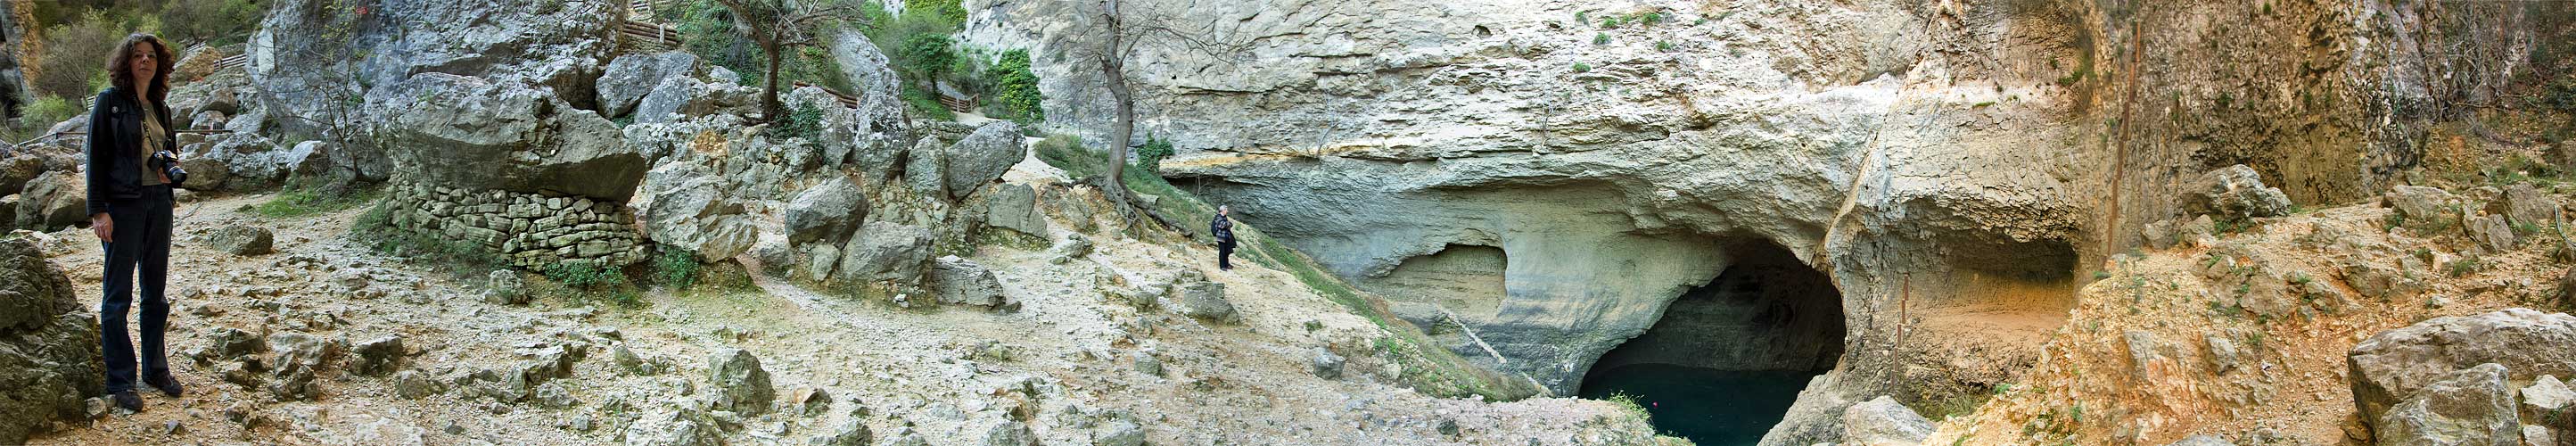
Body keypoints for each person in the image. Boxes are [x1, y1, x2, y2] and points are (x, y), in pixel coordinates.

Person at [86, 33, 185, 413]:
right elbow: (95, 158)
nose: (145, 61)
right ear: (126, 63)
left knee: (155, 293)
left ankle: (156, 369)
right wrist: (99, 211)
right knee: (117, 298)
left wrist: (168, 170)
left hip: (158, 203)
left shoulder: (160, 106)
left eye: (152, 57)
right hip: (122, 207)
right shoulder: (108, 103)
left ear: (159, 64)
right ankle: (121, 380)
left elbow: (169, 150)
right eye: (138, 56)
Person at [1210, 205, 1236, 270]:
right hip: (1221, 237)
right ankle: (1222, 266)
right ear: (1223, 210)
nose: (1227, 211)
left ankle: (1226, 264)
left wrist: (1228, 224)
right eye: (1226, 210)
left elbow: (1228, 225)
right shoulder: (1218, 217)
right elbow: (1222, 225)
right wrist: (1228, 224)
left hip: (1226, 237)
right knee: (1222, 252)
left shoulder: (1224, 217)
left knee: (1227, 251)